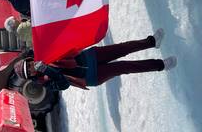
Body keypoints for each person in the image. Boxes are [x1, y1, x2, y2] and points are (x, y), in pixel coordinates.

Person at [13, 29, 177, 91]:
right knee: (126, 66)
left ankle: (152, 42)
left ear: (29, 60)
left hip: (88, 56)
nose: (33, 68)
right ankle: (161, 65)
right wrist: (47, 70)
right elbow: (63, 84)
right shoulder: (44, 81)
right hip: (92, 76)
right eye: (30, 72)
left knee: (123, 48)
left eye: (30, 65)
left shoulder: (44, 55)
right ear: (31, 77)